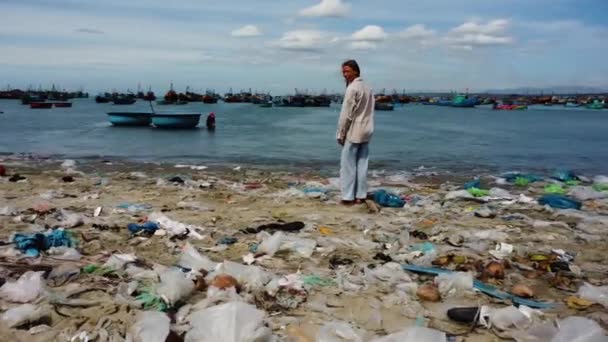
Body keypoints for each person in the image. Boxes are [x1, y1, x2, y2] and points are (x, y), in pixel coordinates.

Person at [336, 59, 375, 205]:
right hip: (367, 129)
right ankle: (361, 195)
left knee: (348, 165)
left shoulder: (352, 88)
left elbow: (346, 114)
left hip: (354, 130)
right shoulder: (367, 87)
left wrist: (340, 133)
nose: (345, 75)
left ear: (356, 71)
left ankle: (347, 196)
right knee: (362, 164)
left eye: (347, 71)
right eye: (343, 72)